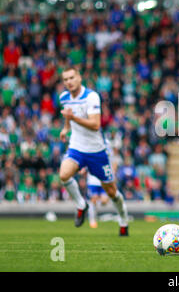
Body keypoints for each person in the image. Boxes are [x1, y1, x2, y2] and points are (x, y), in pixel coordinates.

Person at [59, 67, 129, 236]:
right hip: (77, 147)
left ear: (79, 78)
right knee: (63, 174)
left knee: (111, 192)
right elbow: (68, 116)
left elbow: (95, 124)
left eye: (72, 78)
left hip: (96, 151)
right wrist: (65, 128)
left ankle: (123, 219)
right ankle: (81, 205)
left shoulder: (91, 97)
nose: (69, 82)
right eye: (66, 79)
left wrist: (73, 119)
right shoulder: (64, 98)